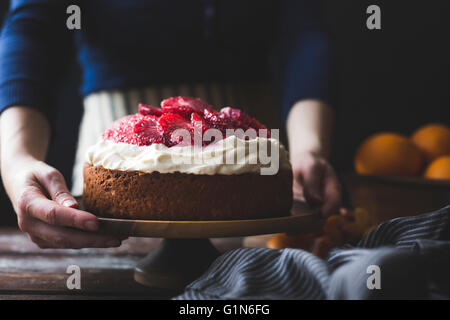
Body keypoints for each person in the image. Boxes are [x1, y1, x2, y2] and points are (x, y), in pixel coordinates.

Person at [0, 0, 340, 249]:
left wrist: (309, 148)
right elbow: (32, 28)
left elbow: (305, 31)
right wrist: (17, 158)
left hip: (248, 151)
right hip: (122, 146)